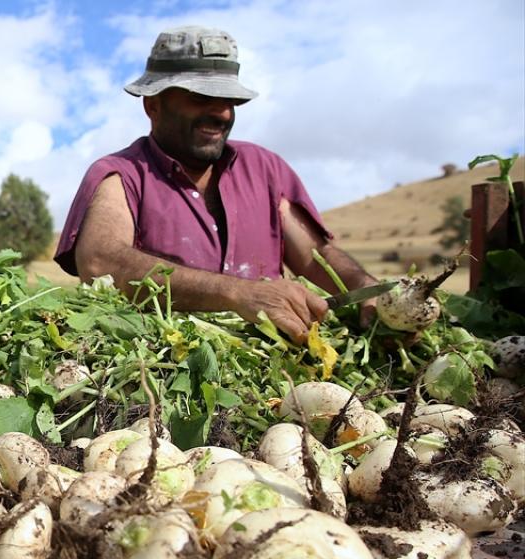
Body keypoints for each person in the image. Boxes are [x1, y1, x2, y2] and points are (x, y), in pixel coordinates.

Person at [54, 26, 378, 344]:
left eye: (229, 100)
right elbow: (100, 262)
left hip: (279, 369)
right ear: (153, 105)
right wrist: (237, 293)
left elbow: (316, 256)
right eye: (202, 97)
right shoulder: (119, 175)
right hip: (166, 370)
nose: (222, 113)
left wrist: (366, 287)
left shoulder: (265, 169)